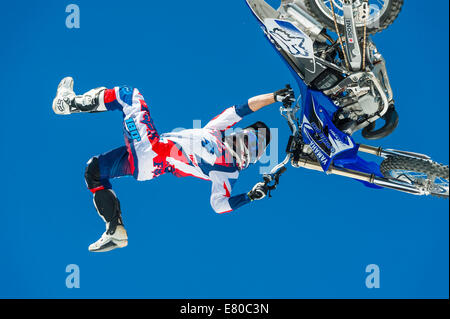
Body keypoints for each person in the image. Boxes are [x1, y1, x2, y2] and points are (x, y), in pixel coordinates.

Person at [52, 77, 295, 252]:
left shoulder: (227, 172)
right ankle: (114, 229)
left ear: (251, 157)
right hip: (151, 162)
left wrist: (249, 196)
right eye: (250, 136)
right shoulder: (216, 131)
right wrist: (275, 96)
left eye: (255, 145)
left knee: (129, 96)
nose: (248, 141)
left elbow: (219, 206)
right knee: (93, 171)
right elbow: (242, 108)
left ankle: (68, 104)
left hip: (154, 153)